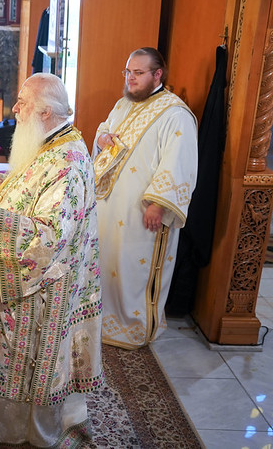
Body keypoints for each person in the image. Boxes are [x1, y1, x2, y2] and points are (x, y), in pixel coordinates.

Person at [0, 73, 102, 448]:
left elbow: (51, 236)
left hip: (40, 296)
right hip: (22, 286)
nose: (14, 109)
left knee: (16, 364)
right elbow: (27, 194)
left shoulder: (70, 163)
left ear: (45, 111)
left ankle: (13, 433)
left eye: (22, 103)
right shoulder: (51, 145)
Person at [93, 47, 197, 349]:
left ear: (157, 75)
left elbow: (179, 161)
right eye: (128, 72)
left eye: (138, 73)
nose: (130, 78)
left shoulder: (175, 114)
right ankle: (102, 320)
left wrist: (158, 204)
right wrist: (102, 138)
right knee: (106, 261)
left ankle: (134, 326)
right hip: (109, 205)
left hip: (142, 211)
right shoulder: (124, 104)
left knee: (133, 268)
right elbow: (105, 129)